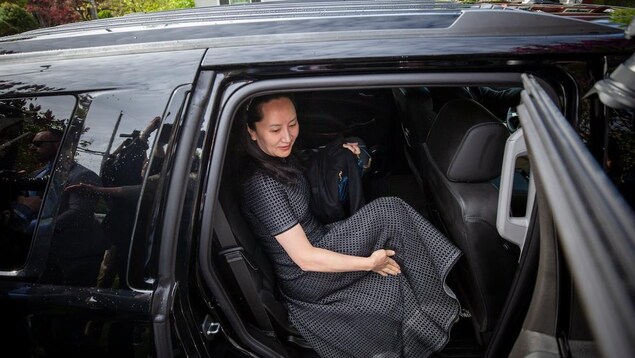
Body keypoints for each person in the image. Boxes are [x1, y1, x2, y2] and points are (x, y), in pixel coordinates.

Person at [239, 94, 463, 358]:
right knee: (389, 211)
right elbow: (305, 258)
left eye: (293, 124)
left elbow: (313, 174)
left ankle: (435, 299)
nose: (287, 137)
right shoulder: (262, 185)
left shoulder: (280, 157)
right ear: (252, 132)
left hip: (323, 237)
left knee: (395, 259)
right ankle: (439, 303)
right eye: (275, 130)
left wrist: (342, 154)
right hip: (306, 277)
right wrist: (370, 263)